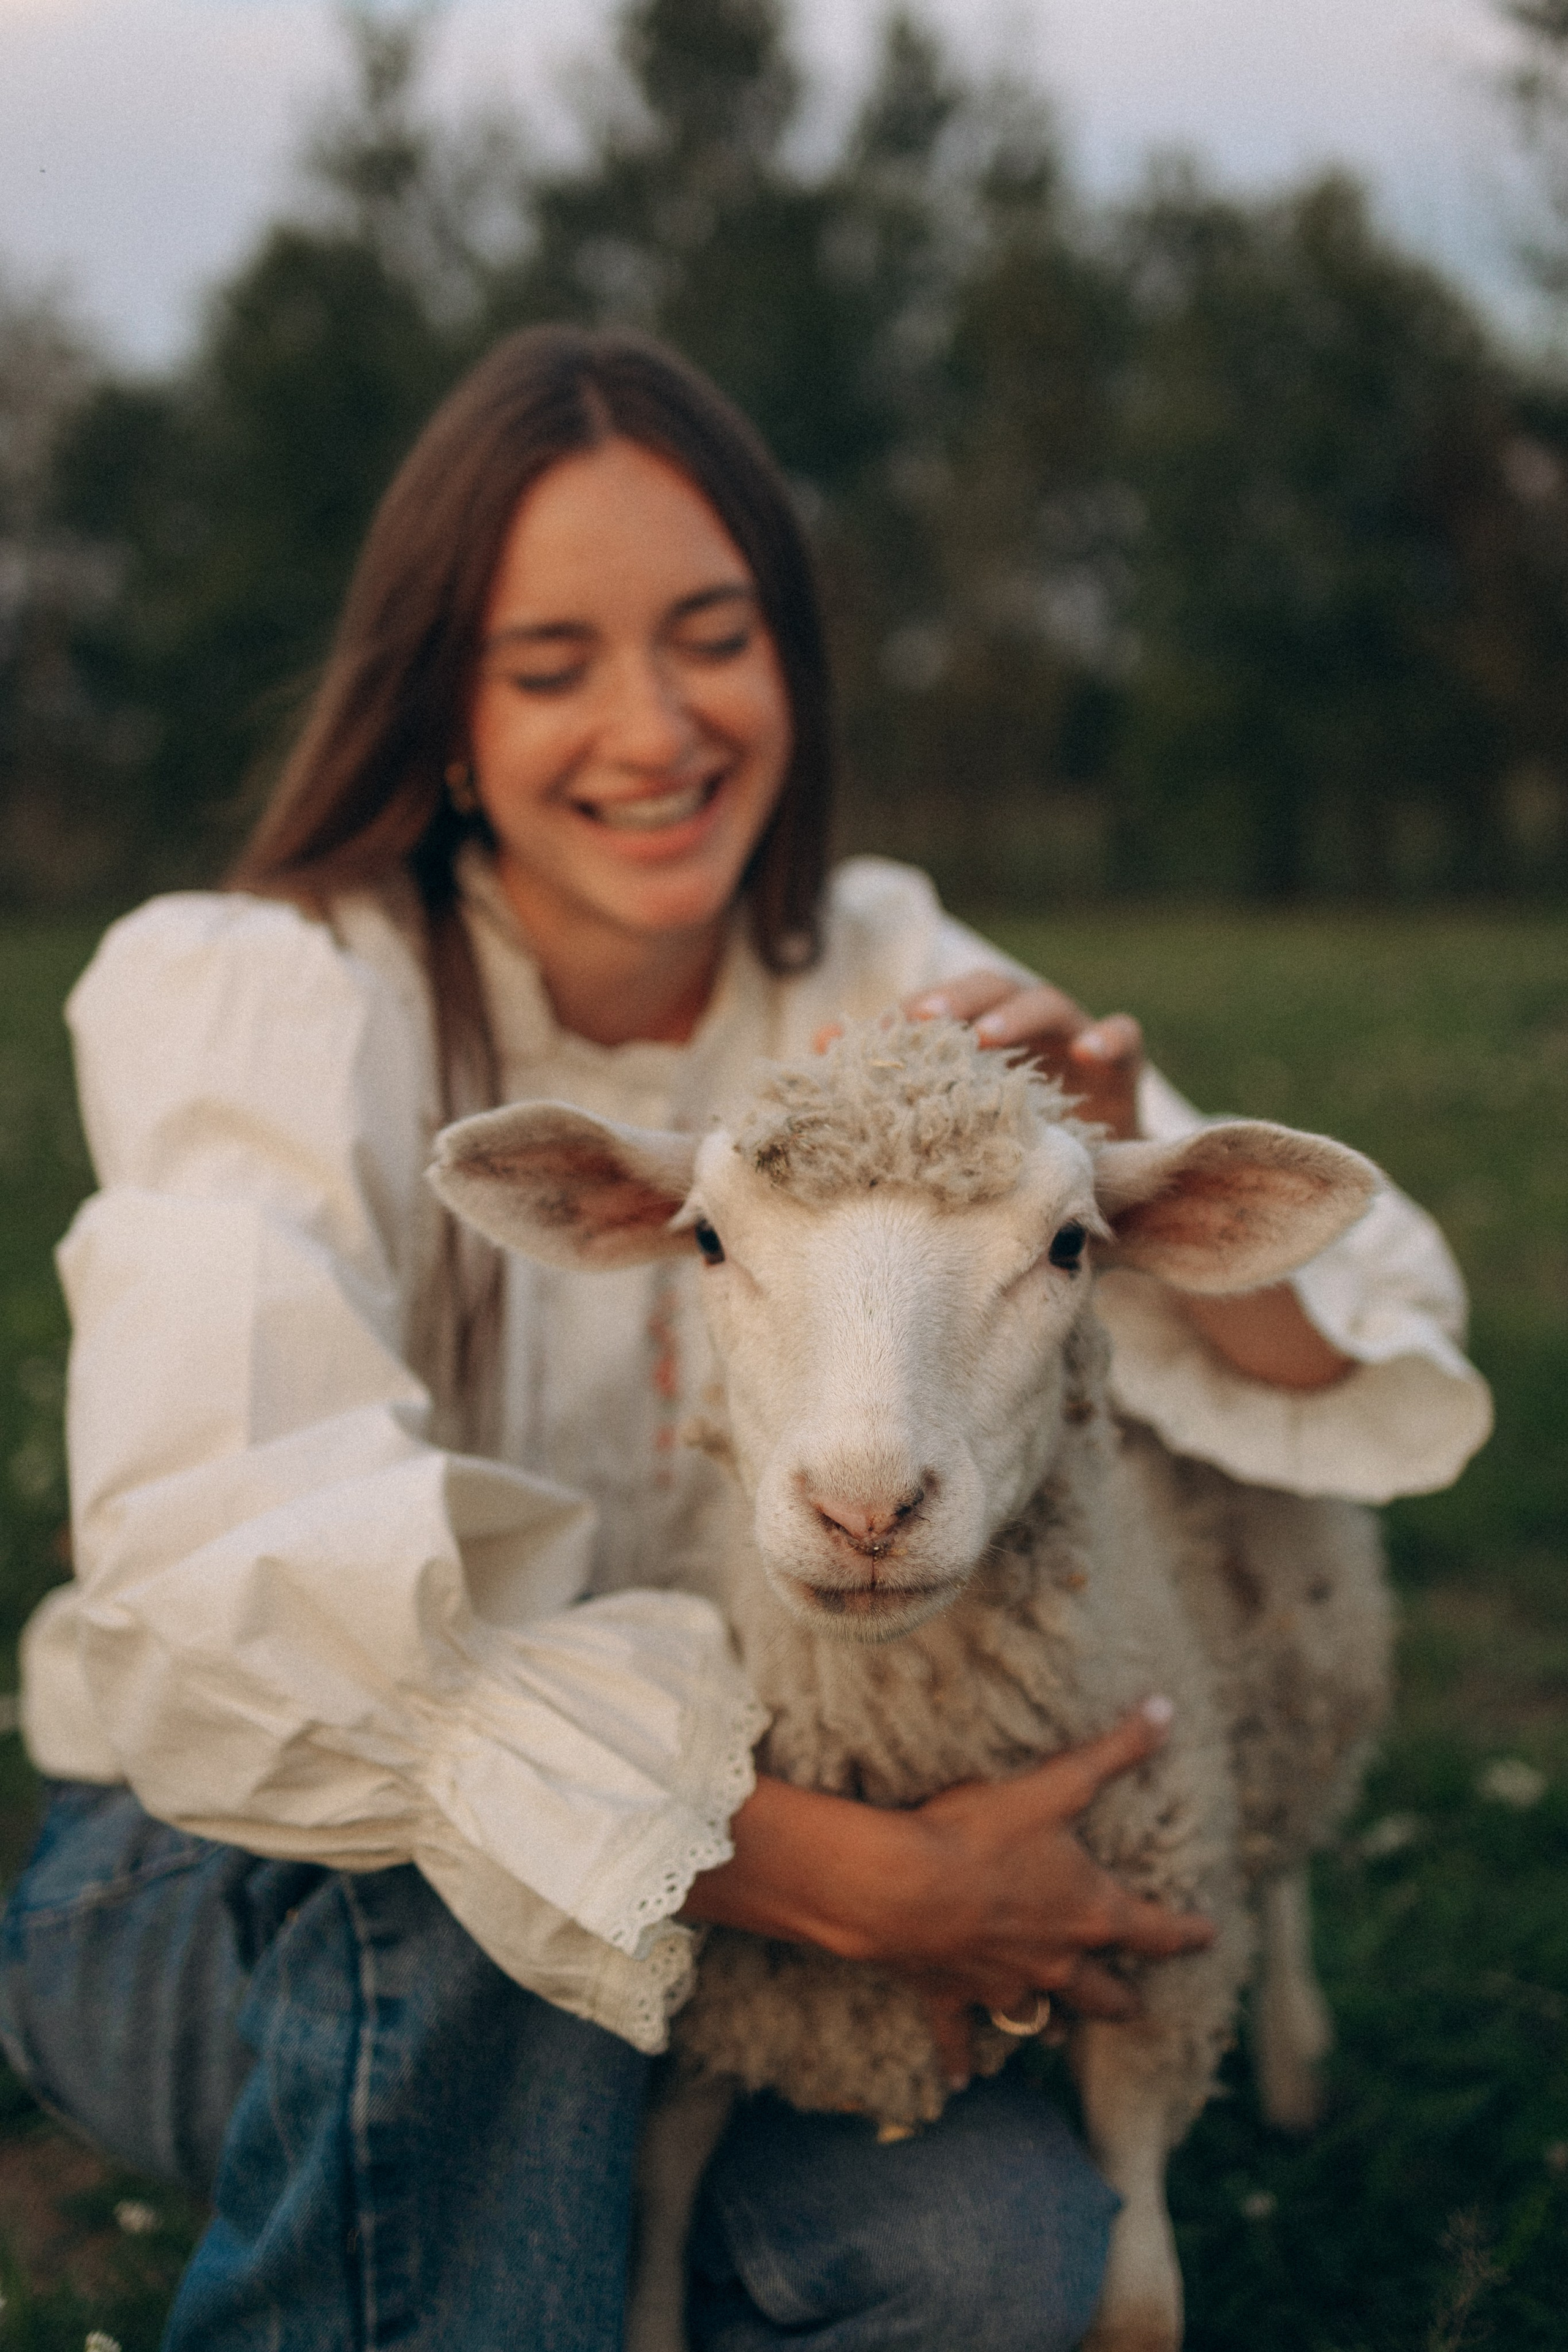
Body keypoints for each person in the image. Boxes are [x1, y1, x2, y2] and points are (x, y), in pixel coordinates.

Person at [0, 327, 1491, 2352]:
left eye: (713, 634)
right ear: (439, 707)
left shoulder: (897, 981)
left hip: (804, 1878)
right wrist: (848, 1886)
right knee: (487, 1925)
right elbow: (238, 1581)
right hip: (250, 1863)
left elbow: (1354, 1342)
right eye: (550, 665)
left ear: (790, 658)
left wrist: (1109, 1160)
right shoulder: (270, 1001)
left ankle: (545, 2219)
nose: (653, 724)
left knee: (987, 2264)